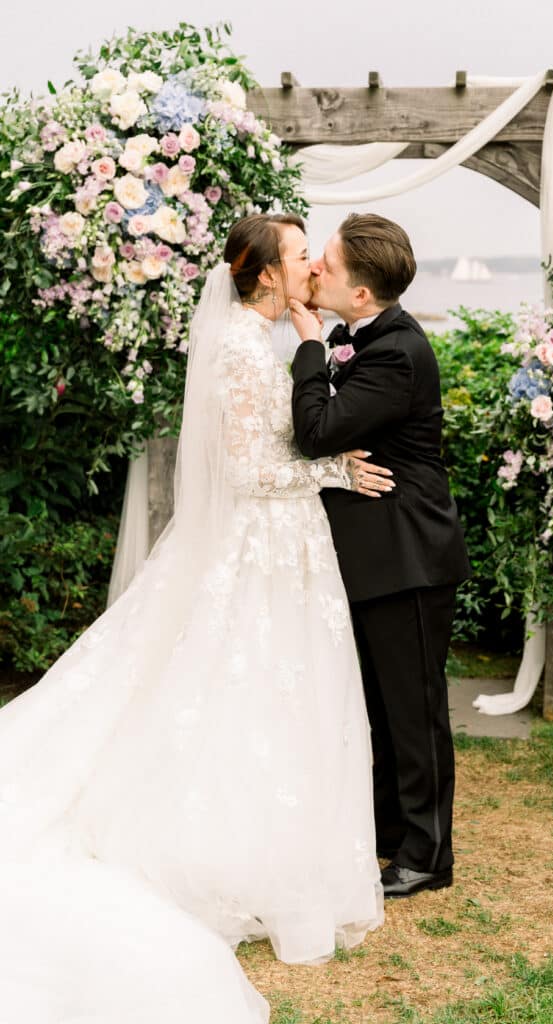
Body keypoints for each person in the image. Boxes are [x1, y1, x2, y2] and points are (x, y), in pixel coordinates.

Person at [0, 213, 390, 1020]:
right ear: (263, 275)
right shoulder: (243, 353)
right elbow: (250, 471)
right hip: (259, 545)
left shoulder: (262, 341)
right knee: (242, 689)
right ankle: (222, 855)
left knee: (270, 694)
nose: (309, 266)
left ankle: (269, 849)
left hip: (280, 545)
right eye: (296, 257)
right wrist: (332, 474)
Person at [289, 213, 471, 900]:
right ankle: (390, 836)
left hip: (409, 557)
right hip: (375, 556)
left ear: (360, 295)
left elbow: (318, 432)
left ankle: (427, 854)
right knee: (379, 706)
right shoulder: (362, 337)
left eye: (325, 265)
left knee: (413, 710)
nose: (314, 272)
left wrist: (308, 345)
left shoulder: (395, 352)